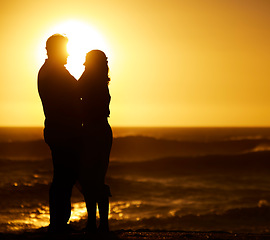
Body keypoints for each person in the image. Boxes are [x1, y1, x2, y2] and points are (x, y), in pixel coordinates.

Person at [37, 34, 82, 233]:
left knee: (64, 176)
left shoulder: (53, 71)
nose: (68, 53)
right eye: (65, 49)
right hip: (62, 131)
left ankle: (59, 222)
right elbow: (68, 99)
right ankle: (58, 223)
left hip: (60, 130)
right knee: (64, 177)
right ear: (53, 50)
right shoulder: (53, 73)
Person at [78, 50, 113, 234]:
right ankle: (102, 225)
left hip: (93, 131)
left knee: (89, 178)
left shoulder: (90, 80)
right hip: (102, 131)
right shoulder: (101, 81)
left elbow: (76, 91)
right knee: (97, 178)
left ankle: (93, 223)